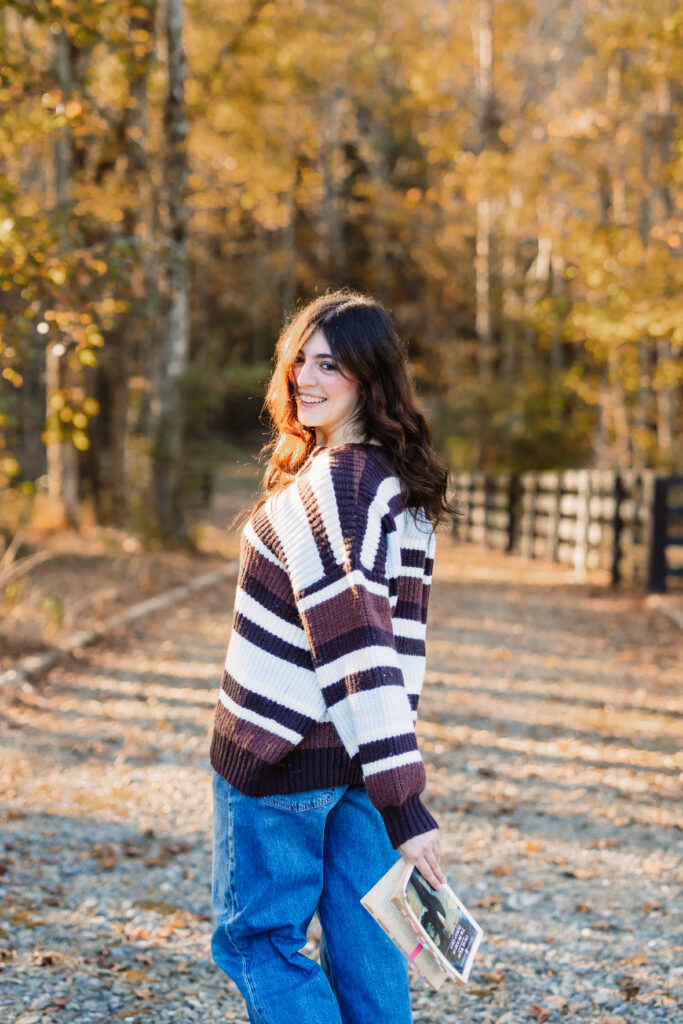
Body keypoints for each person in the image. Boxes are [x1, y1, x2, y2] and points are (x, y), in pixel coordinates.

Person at [209, 289, 458, 1024]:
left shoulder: (338, 486)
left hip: (282, 758)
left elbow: (360, 647)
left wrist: (406, 805)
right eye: (298, 363)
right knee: (369, 943)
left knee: (260, 942)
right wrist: (391, 782)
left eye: (330, 367)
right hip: (351, 760)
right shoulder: (383, 479)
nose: (305, 381)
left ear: (371, 379)